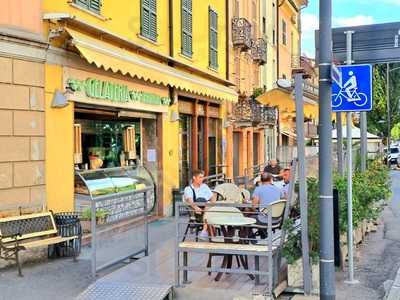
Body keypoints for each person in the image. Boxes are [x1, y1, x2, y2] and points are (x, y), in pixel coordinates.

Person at [184, 170, 216, 239]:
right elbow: (190, 202)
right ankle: (208, 233)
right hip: (197, 212)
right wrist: (196, 208)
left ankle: (205, 230)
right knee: (211, 215)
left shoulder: (204, 186)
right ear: (194, 178)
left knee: (209, 206)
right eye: (200, 177)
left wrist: (212, 205)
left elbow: (213, 198)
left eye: (202, 177)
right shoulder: (188, 189)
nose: (202, 179)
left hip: (207, 210)